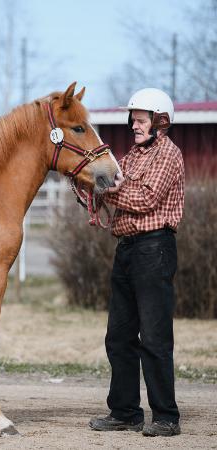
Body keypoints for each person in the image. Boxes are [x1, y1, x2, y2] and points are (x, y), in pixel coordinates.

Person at [89, 88, 185, 437]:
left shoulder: (168, 154)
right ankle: (125, 412)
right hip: (127, 250)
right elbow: (111, 187)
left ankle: (166, 418)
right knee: (118, 337)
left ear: (161, 121)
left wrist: (109, 188)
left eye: (141, 120)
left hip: (154, 249)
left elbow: (145, 199)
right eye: (133, 120)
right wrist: (93, 189)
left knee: (155, 338)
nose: (134, 126)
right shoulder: (131, 156)